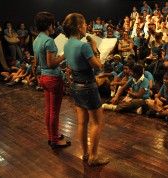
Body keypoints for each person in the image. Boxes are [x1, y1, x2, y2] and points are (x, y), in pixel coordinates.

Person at [63, 13, 109, 166]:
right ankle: (94, 157)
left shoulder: (67, 44)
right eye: (84, 25)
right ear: (78, 27)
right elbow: (98, 66)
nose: (86, 27)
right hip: (88, 87)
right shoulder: (83, 45)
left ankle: (85, 154)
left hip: (76, 86)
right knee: (96, 123)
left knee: (82, 123)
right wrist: (95, 48)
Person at [33, 12, 71, 148]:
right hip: (53, 78)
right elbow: (51, 63)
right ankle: (54, 140)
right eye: (53, 24)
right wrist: (65, 54)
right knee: (54, 111)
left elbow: (37, 62)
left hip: (44, 77)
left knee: (49, 110)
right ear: (48, 25)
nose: (54, 26)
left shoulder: (37, 40)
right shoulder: (49, 41)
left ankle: (52, 135)